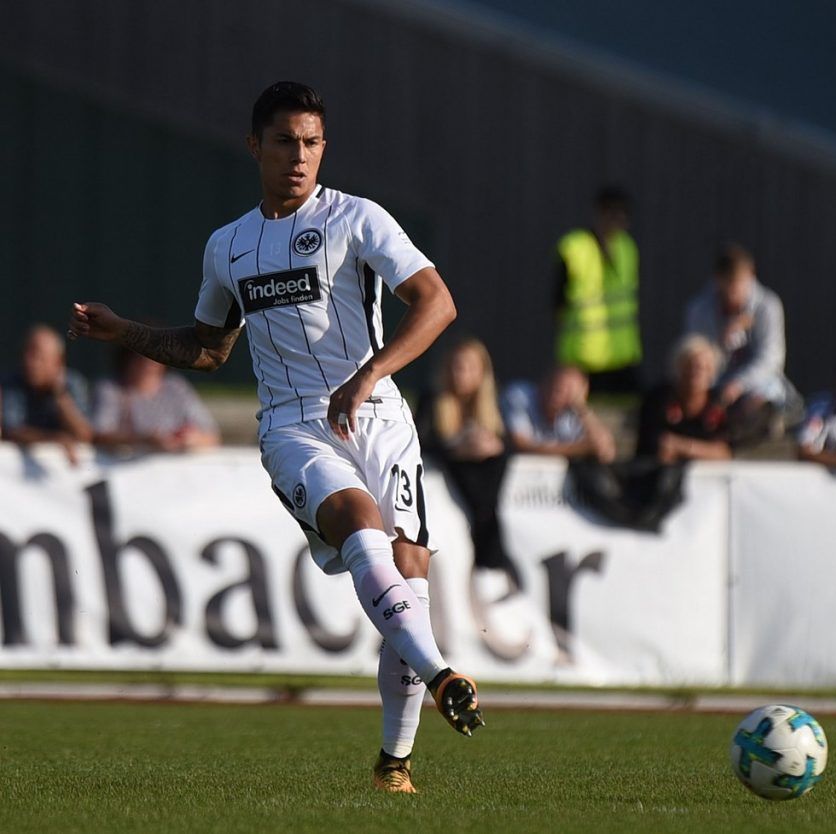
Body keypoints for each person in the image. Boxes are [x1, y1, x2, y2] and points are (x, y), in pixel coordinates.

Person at [68, 81, 481, 794]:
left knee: (409, 578)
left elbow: (437, 302)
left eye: (312, 142)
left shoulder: (358, 219)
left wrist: (371, 373)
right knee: (360, 524)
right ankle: (443, 672)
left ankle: (394, 766)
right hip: (294, 426)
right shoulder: (228, 246)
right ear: (254, 145)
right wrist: (123, 331)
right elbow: (207, 348)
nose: (300, 156)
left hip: (380, 419)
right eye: (286, 141)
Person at [416, 338, 520, 588]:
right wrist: (457, 449)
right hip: (444, 497)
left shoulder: (495, 406)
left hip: (483, 506)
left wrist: (493, 447)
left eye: (469, 367)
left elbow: (510, 446)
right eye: (455, 367)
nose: (460, 374)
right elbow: (419, 442)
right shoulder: (433, 401)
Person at [683, 243, 799, 437]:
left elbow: (771, 359)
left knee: (763, 396)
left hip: (755, 383)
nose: (732, 295)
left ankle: (762, 423)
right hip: (715, 381)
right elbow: (696, 356)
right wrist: (722, 340)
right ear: (717, 280)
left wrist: (738, 385)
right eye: (726, 287)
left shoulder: (768, 306)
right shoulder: (699, 309)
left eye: (737, 286)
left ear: (751, 276)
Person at [554, 186, 642, 392]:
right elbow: (557, 304)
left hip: (621, 357)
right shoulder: (574, 247)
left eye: (623, 214)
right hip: (582, 358)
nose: (619, 220)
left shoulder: (627, 248)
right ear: (600, 213)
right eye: (612, 213)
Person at [92, 345, 220, 453]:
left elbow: (212, 435)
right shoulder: (110, 389)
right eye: (142, 358)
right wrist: (144, 440)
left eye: (155, 358)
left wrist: (192, 439)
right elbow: (99, 435)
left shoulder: (176, 387)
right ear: (127, 360)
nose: (149, 365)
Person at [0, 324, 92, 462]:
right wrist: (53, 439)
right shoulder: (9, 384)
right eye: (26, 353)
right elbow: (12, 430)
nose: (29, 362)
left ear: (58, 362)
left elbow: (84, 434)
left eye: (38, 356)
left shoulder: (72, 383)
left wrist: (60, 395)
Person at [636, 335, 732, 463]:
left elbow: (724, 453)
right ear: (679, 367)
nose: (697, 372)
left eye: (705, 368)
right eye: (691, 366)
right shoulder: (660, 399)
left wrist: (683, 447)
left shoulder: (718, 403)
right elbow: (659, 445)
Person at [501, 366, 616, 462]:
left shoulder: (575, 411)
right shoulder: (520, 396)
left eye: (568, 390)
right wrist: (581, 449)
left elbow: (606, 453)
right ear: (543, 383)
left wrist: (582, 409)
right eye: (555, 385)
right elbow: (522, 446)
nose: (557, 393)